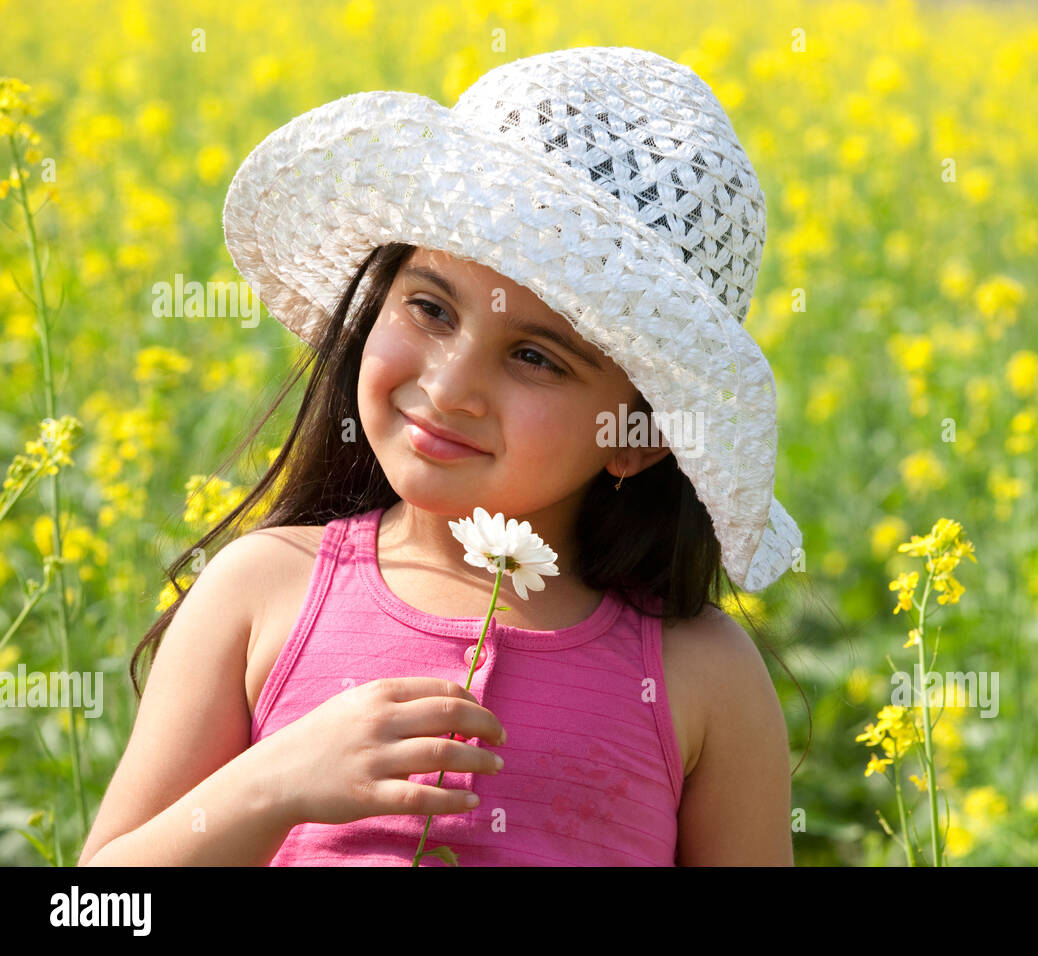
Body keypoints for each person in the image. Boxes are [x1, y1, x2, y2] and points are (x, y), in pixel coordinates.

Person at [79, 47, 804, 866]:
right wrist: (271, 784)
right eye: (429, 308)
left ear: (639, 441)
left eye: (536, 358)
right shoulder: (259, 588)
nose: (452, 385)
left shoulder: (702, 675)